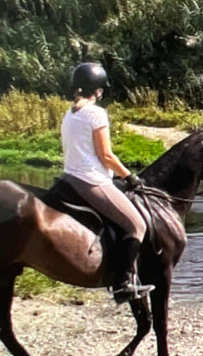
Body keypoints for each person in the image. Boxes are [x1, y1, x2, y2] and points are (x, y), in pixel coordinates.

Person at [60, 62, 154, 304]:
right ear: (99, 90)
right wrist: (129, 176)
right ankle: (123, 283)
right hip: (92, 181)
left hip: (70, 177)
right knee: (137, 225)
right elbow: (106, 156)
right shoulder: (96, 113)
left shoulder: (70, 113)